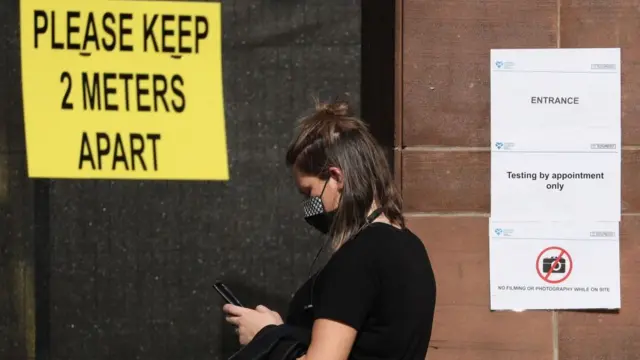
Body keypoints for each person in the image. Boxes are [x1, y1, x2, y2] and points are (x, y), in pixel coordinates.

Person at [223, 99, 437, 360]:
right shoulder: (411, 247)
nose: (307, 206)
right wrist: (280, 331)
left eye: (309, 192)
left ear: (336, 178)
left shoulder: (359, 257)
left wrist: (266, 338)